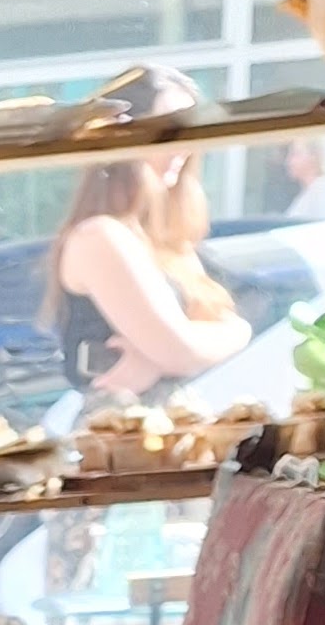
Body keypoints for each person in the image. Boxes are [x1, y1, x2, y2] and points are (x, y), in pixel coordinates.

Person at [46, 70, 253, 406]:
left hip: (169, 420)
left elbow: (186, 346)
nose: (183, 147)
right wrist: (235, 331)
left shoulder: (165, 239)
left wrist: (160, 358)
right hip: (119, 426)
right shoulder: (99, 236)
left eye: (188, 131)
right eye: (167, 130)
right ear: (124, 138)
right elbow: (182, 352)